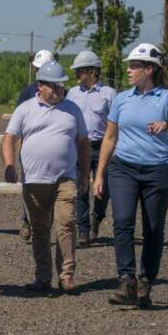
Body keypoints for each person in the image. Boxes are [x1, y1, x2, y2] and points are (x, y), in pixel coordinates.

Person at [93, 43, 168, 308]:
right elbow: (110, 138)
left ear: (149, 69)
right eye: (129, 65)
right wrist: (99, 175)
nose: (128, 70)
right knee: (122, 222)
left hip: (157, 171)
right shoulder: (122, 99)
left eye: (134, 66)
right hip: (123, 169)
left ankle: (146, 280)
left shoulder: (167, 98)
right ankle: (126, 280)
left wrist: (167, 124)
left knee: (153, 228)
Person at [2, 61, 90, 293]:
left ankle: (67, 276)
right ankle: (42, 277)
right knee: (40, 229)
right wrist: (9, 164)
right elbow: (9, 138)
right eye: (54, 86)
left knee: (67, 223)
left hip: (65, 178)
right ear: (40, 86)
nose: (60, 90)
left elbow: (82, 142)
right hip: (34, 180)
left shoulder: (72, 110)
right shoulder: (25, 109)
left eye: (62, 86)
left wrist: (84, 174)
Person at [65, 50, 117, 248]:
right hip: (79, 146)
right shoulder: (72, 93)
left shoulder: (109, 94)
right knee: (81, 188)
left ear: (93, 71)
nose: (77, 75)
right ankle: (84, 230)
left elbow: (116, 123)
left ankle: (98, 216)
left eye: (80, 71)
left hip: (103, 146)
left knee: (103, 189)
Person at [15, 49, 59, 242]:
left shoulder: (60, 93)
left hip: (52, 148)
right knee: (29, 184)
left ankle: (44, 222)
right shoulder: (27, 92)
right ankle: (27, 220)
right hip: (30, 147)